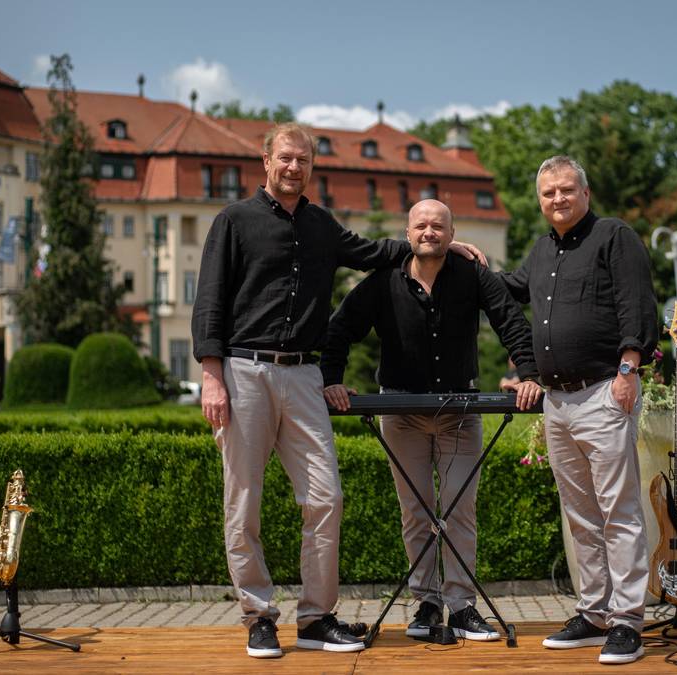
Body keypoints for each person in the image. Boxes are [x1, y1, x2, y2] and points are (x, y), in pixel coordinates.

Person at [191, 124, 485, 659]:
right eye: (285, 158)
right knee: (244, 503)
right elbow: (209, 299)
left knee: (326, 498)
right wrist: (212, 375)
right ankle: (258, 616)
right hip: (244, 371)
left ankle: (316, 618)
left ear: (310, 167)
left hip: (304, 375)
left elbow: (373, 251)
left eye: (303, 160)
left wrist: (435, 241)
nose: (293, 167)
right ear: (266, 161)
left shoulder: (322, 224)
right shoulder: (232, 221)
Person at [322, 199, 542, 642]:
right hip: (400, 414)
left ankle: (462, 607)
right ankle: (425, 604)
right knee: (416, 513)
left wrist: (528, 375)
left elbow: (510, 321)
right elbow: (339, 329)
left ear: (451, 232)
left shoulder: (473, 276)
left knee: (460, 512)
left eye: (438, 226)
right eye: (421, 225)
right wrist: (332, 381)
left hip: (461, 415)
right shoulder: (383, 282)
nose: (429, 232)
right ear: (408, 233)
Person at [501, 156, 658, 665]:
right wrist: (463, 261)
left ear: (585, 193)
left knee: (619, 510)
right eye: (548, 194)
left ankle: (628, 620)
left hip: (602, 393)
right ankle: (593, 613)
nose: (558, 200)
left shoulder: (614, 236)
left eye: (566, 191)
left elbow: (637, 302)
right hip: (557, 400)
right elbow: (511, 289)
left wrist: (629, 367)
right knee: (581, 515)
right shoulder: (542, 249)